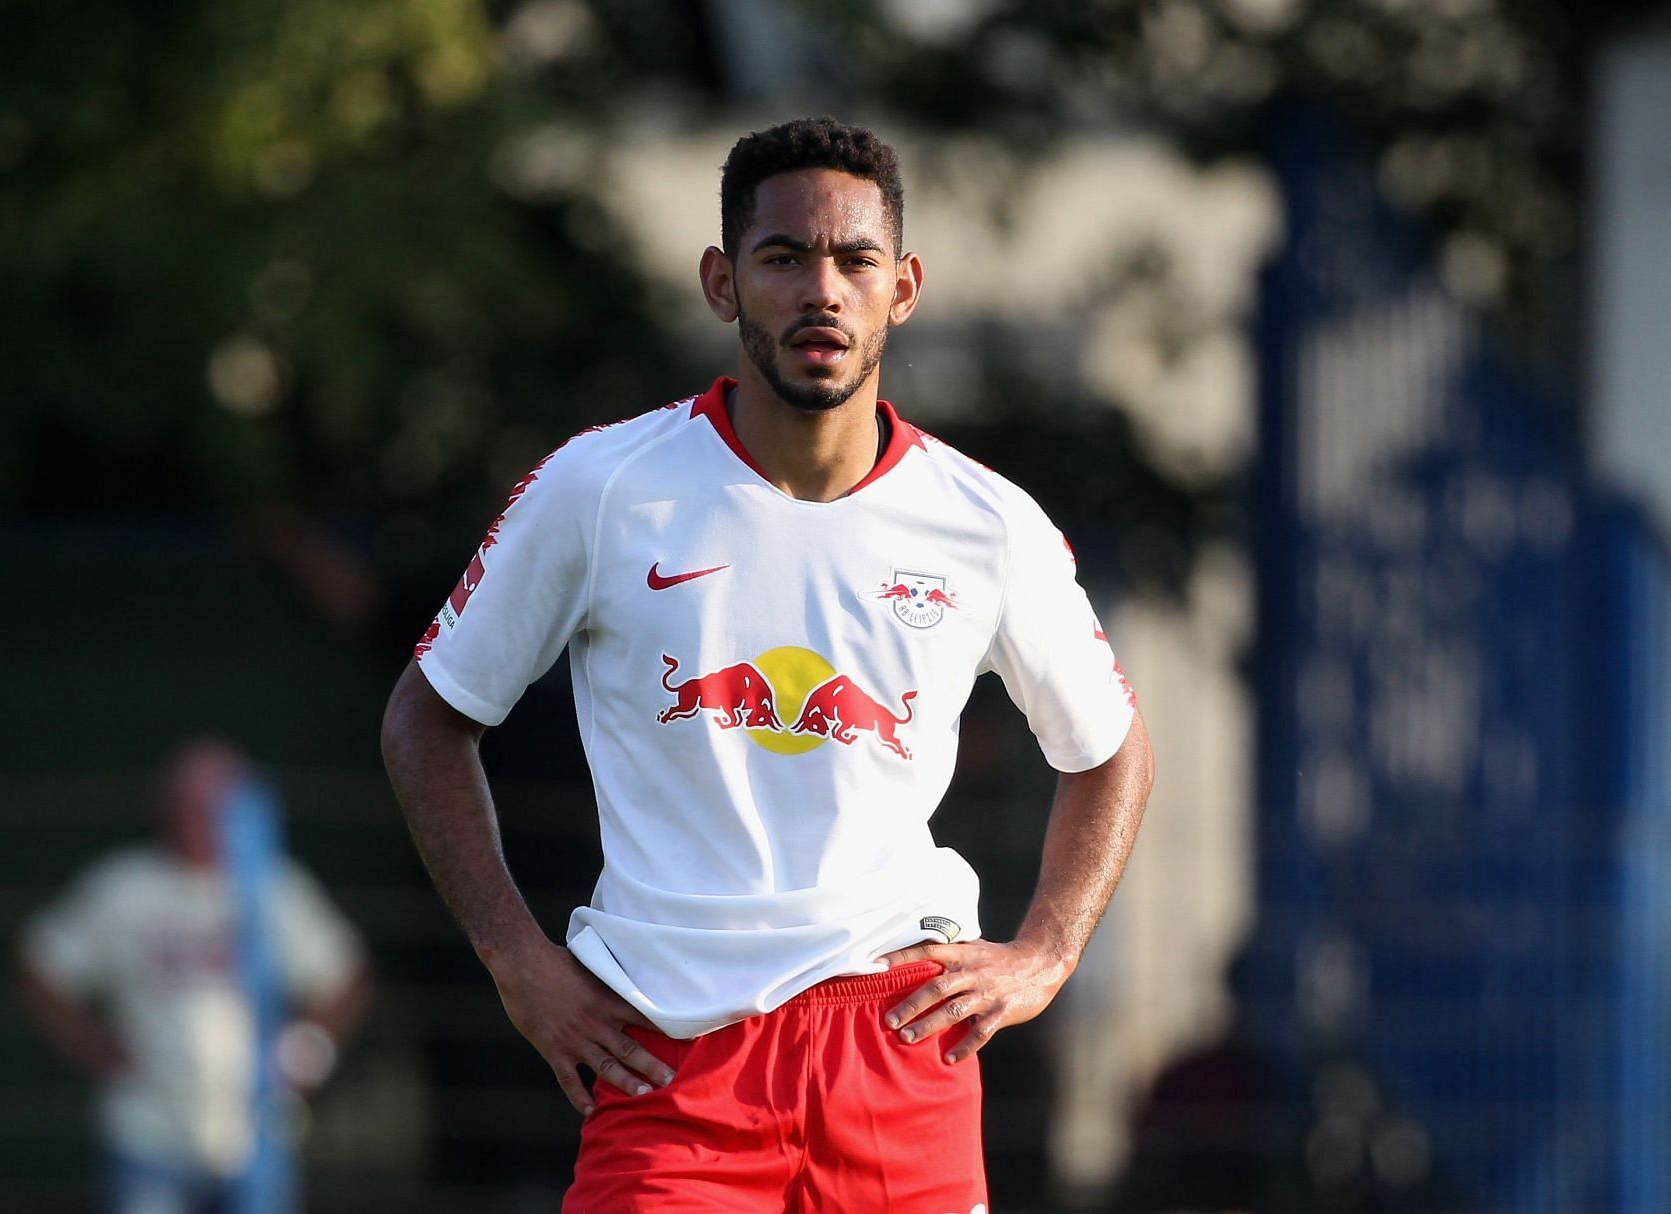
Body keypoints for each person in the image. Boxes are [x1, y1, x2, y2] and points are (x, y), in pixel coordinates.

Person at [380, 116, 1154, 1213]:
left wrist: (1049, 948)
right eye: (784, 256)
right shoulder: (603, 487)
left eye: (855, 259)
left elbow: (1112, 750)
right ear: (723, 281)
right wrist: (516, 958)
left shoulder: (987, 522)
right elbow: (427, 716)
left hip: (897, 1044)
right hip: (670, 1054)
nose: (821, 289)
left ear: (906, 286)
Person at [18, 738, 372, 1214]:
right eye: (191, 803)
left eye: (218, 805)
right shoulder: (124, 887)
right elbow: (41, 964)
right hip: (146, 1134)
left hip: (258, 1138)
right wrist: (92, 1046)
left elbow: (346, 975)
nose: (202, 817)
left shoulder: (276, 889)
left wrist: (308, 1049)